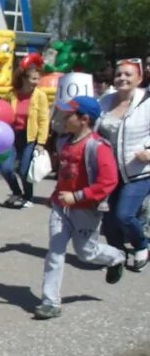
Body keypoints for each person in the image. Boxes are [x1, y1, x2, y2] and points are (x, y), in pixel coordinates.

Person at [35, 97, 126, 320]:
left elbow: (108, 182)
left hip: (85, 209)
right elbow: (67, 176)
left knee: (87, 253)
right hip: (61, 208)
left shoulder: (98, 147)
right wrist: (55, 195)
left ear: (84, 119)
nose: (64, 119)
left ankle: (116, 257)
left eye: (69, 115)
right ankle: (50, 302)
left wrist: (77, 197)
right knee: (55, 253)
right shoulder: (66, 142)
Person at [97, 58, 150, 271]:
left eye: (128, 74)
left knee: (125, 215)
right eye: (119, 74)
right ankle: (117, 256)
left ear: (139, 78)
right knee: (109, 224)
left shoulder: (147, 102)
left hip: (139, 170)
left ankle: (142, 245)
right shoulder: (105, 101)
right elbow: (94, 129)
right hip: (110, 171)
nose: (122, 78)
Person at [1, 63, 50, 208]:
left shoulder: (40, 96)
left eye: (38, 79)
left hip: (29, 137)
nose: (36, 82)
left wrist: (41, 142)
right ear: (24, 78)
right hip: (11, 136)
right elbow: (2, 112)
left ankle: (28, 197)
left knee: (24, 170)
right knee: (6, 168)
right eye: (33, 79)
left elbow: (43, 119)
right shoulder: (12, 94)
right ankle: (16, 192)